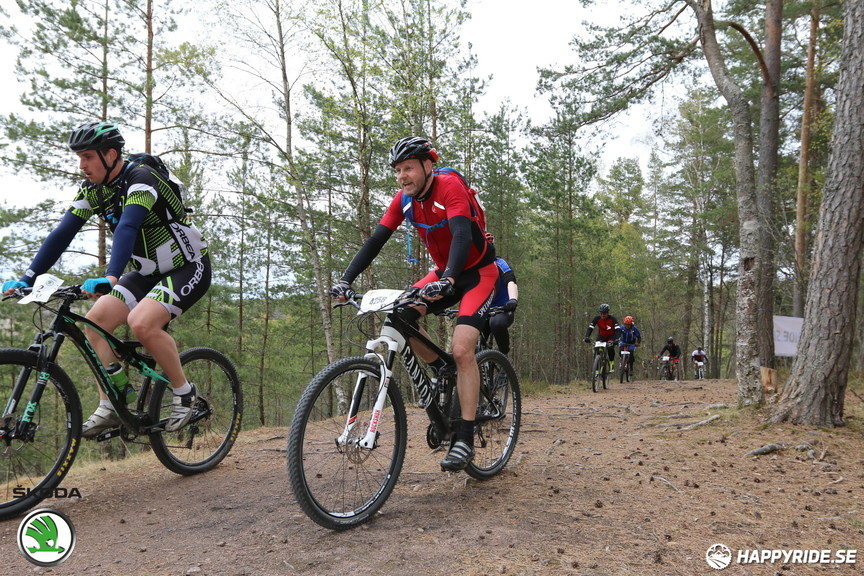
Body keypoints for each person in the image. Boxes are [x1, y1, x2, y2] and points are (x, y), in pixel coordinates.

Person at [2, 121, 210, 436]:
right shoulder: (93, 190)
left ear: (110, 154)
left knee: (142, 323)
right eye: (79, 158)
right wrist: (27, 277)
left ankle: (185, 394)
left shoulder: (141, 179)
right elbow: (63, 234)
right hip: (146, 272)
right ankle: (111, 404)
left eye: (87, 156)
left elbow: (127, 226)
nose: (82, 165)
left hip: (187, 266)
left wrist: (110, 277)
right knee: (94, 323)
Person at [329, 136, 497, 472]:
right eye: (397, 170)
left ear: (427, 165)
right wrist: (346, 279)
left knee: (463, 349)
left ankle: (464, 438)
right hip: (442, 273)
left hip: (477, 273)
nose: (402, 176)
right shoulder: (403, 201)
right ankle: (441, 366)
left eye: (408, 168)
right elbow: (375, 241)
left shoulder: (449, 188)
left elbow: (462, 235)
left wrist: (449, 278)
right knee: (397, 317)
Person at [481, 257, 518, 354]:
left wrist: (513, 299)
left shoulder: (499, 263)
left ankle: (503, 354)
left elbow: (510, 281)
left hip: (502, 309)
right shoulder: (472, 266)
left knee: (496, 323)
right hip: (482, 310)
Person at [584, 303, 620, 372]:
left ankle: (611, 363)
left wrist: (617, 339)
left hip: (611, 337)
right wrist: (587, 337)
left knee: (610, 348)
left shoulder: (612, 319)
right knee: (596, 351)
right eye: (601, 313)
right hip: (601, 337)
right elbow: (590, 328)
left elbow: (618, 329)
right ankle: (597, 369)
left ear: (607, 313)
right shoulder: (596, 318)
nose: (603, 315)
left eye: (604, 313)